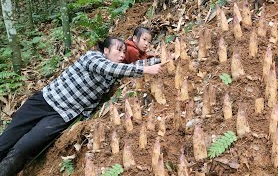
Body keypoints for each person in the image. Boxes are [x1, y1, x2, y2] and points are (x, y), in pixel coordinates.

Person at [0, 36, 165, 176]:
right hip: (43, 101)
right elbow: (111, 68)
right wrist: (147, 70)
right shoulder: (92, 58)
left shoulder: (113, 75)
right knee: (6, 141)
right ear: (105, 51)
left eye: (124, 51)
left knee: (24, 148)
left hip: (61, 116)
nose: (122, 54)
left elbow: (129, 67)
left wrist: (161, 57)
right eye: (118, 49)